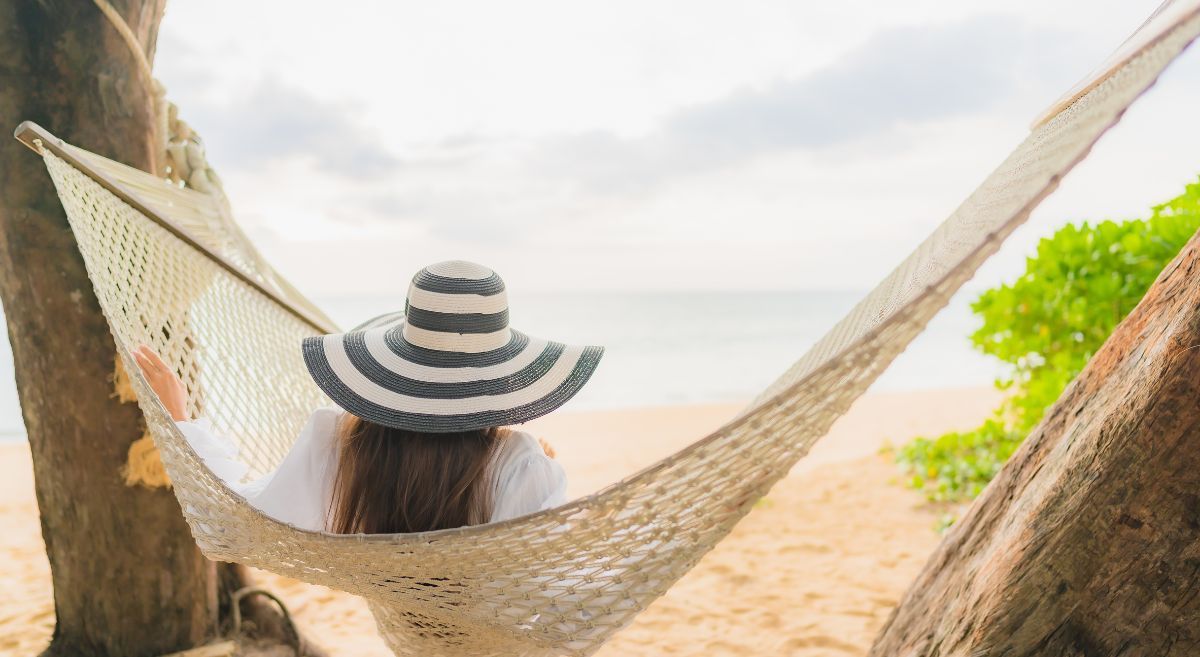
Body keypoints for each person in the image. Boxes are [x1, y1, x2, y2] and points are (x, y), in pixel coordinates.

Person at [134, 260, 604, 534]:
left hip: (410, 627)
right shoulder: (522, 464)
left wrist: (181, 424)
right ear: (502, 377)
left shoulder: (338, 445)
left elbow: (234, 520)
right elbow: (541, 589)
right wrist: (524, 465)